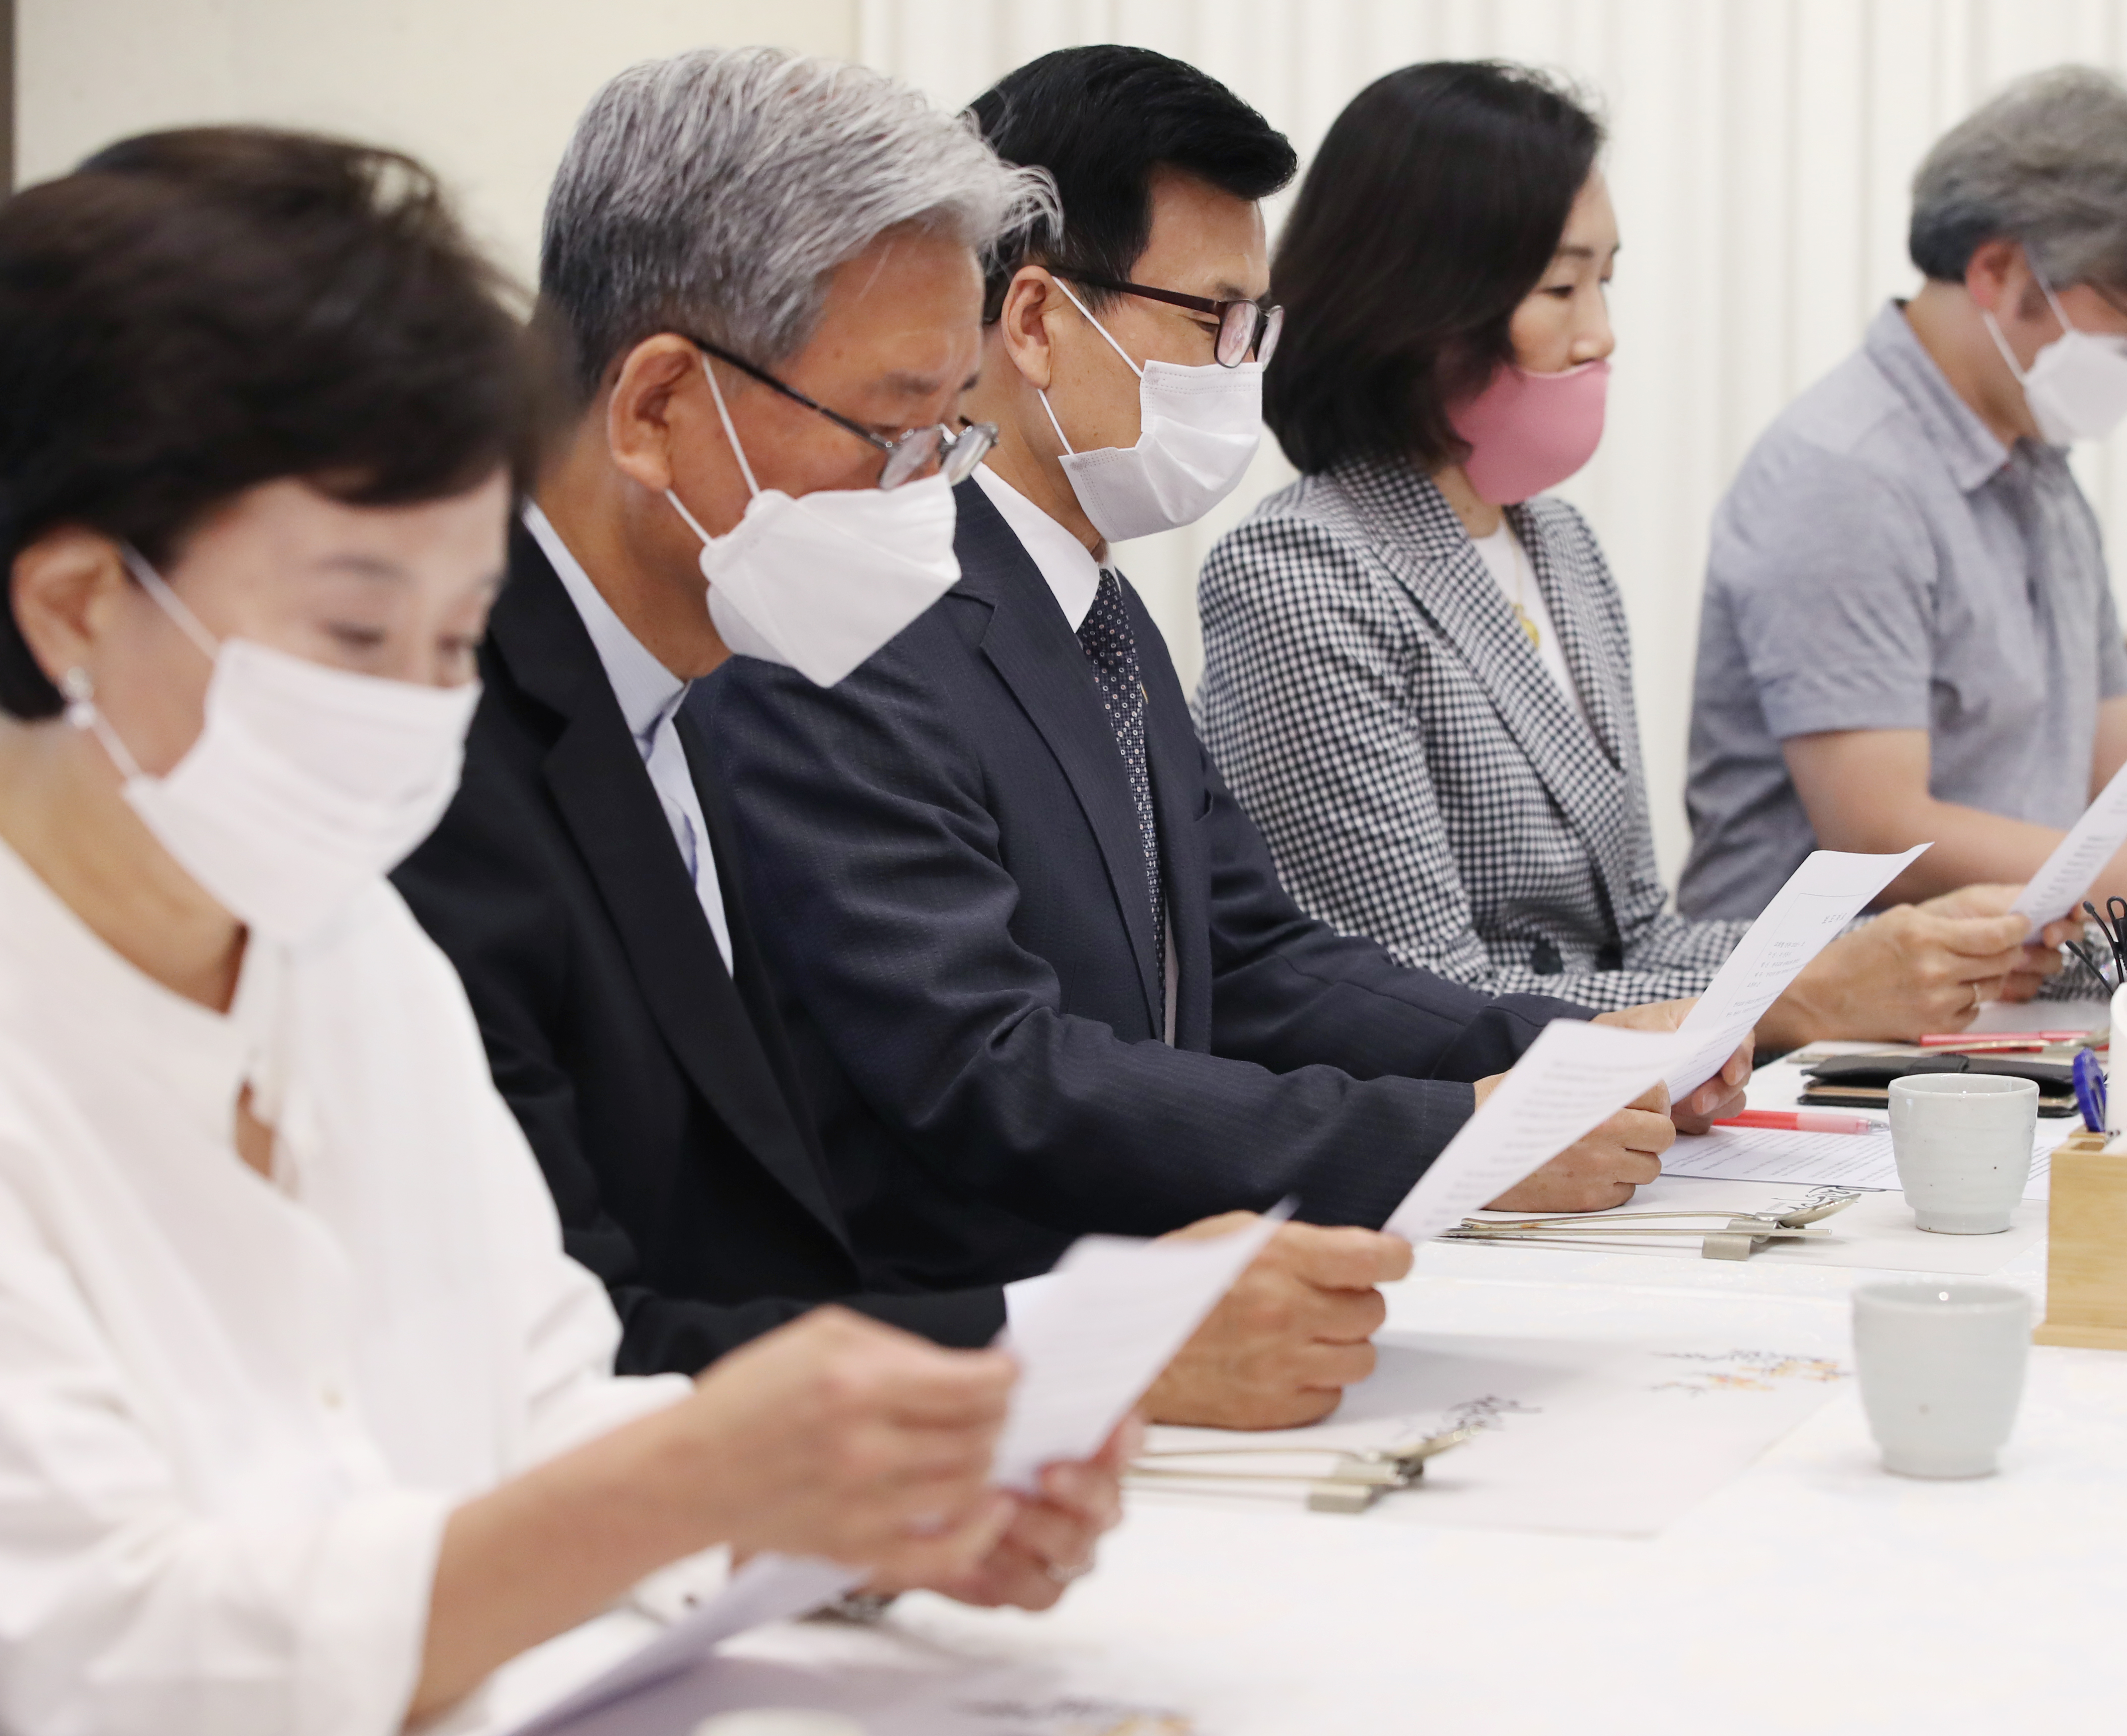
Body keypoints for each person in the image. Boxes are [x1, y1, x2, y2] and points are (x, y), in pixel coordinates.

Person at [0, 129, 1123, 1735]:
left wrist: (855, 1525)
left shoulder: (339, 942)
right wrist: (694, 1475)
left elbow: (534, 1411)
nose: (419, 704)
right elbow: (124, 1663)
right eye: (351, 628)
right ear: (74, 606)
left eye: (460, 629)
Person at [396, 49, 1412, 1430]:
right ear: (655, 411)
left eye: (952, 435)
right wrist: (1073, 1348)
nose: (926, 502)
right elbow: (585, 1345)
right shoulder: (429, 755)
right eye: (891, 431)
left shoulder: (698, 671)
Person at [692, 43, 1750, 1309]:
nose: (1243, 367)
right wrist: (1457, 1135)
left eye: (1261, 324)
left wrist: (1551, 1049)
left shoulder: (1096, 602)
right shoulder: (862, 613)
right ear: (1033, 320)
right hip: (984, 1332)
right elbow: (989, 1068)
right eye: (1214, 320)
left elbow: (1248, 960)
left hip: (1172, 1288)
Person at [1198, 62, 2073, 1041]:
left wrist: (1893, 944)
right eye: (1561, 286)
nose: (1599, 334)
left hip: (1606, 1113)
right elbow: (1412, 998)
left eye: (1603, 282)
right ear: (1423, 295)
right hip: (1455, 1138)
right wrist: (1813, 995)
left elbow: (1637, 938)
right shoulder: (1301, 570)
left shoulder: (1557, 543)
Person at [1680, 66, 2127, 925]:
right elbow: (1878, 833)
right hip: (1810, 1018)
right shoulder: (1845, 474)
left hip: (2000, 986)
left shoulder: (2035, 463)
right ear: (1997, 273)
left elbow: (2117, 763)